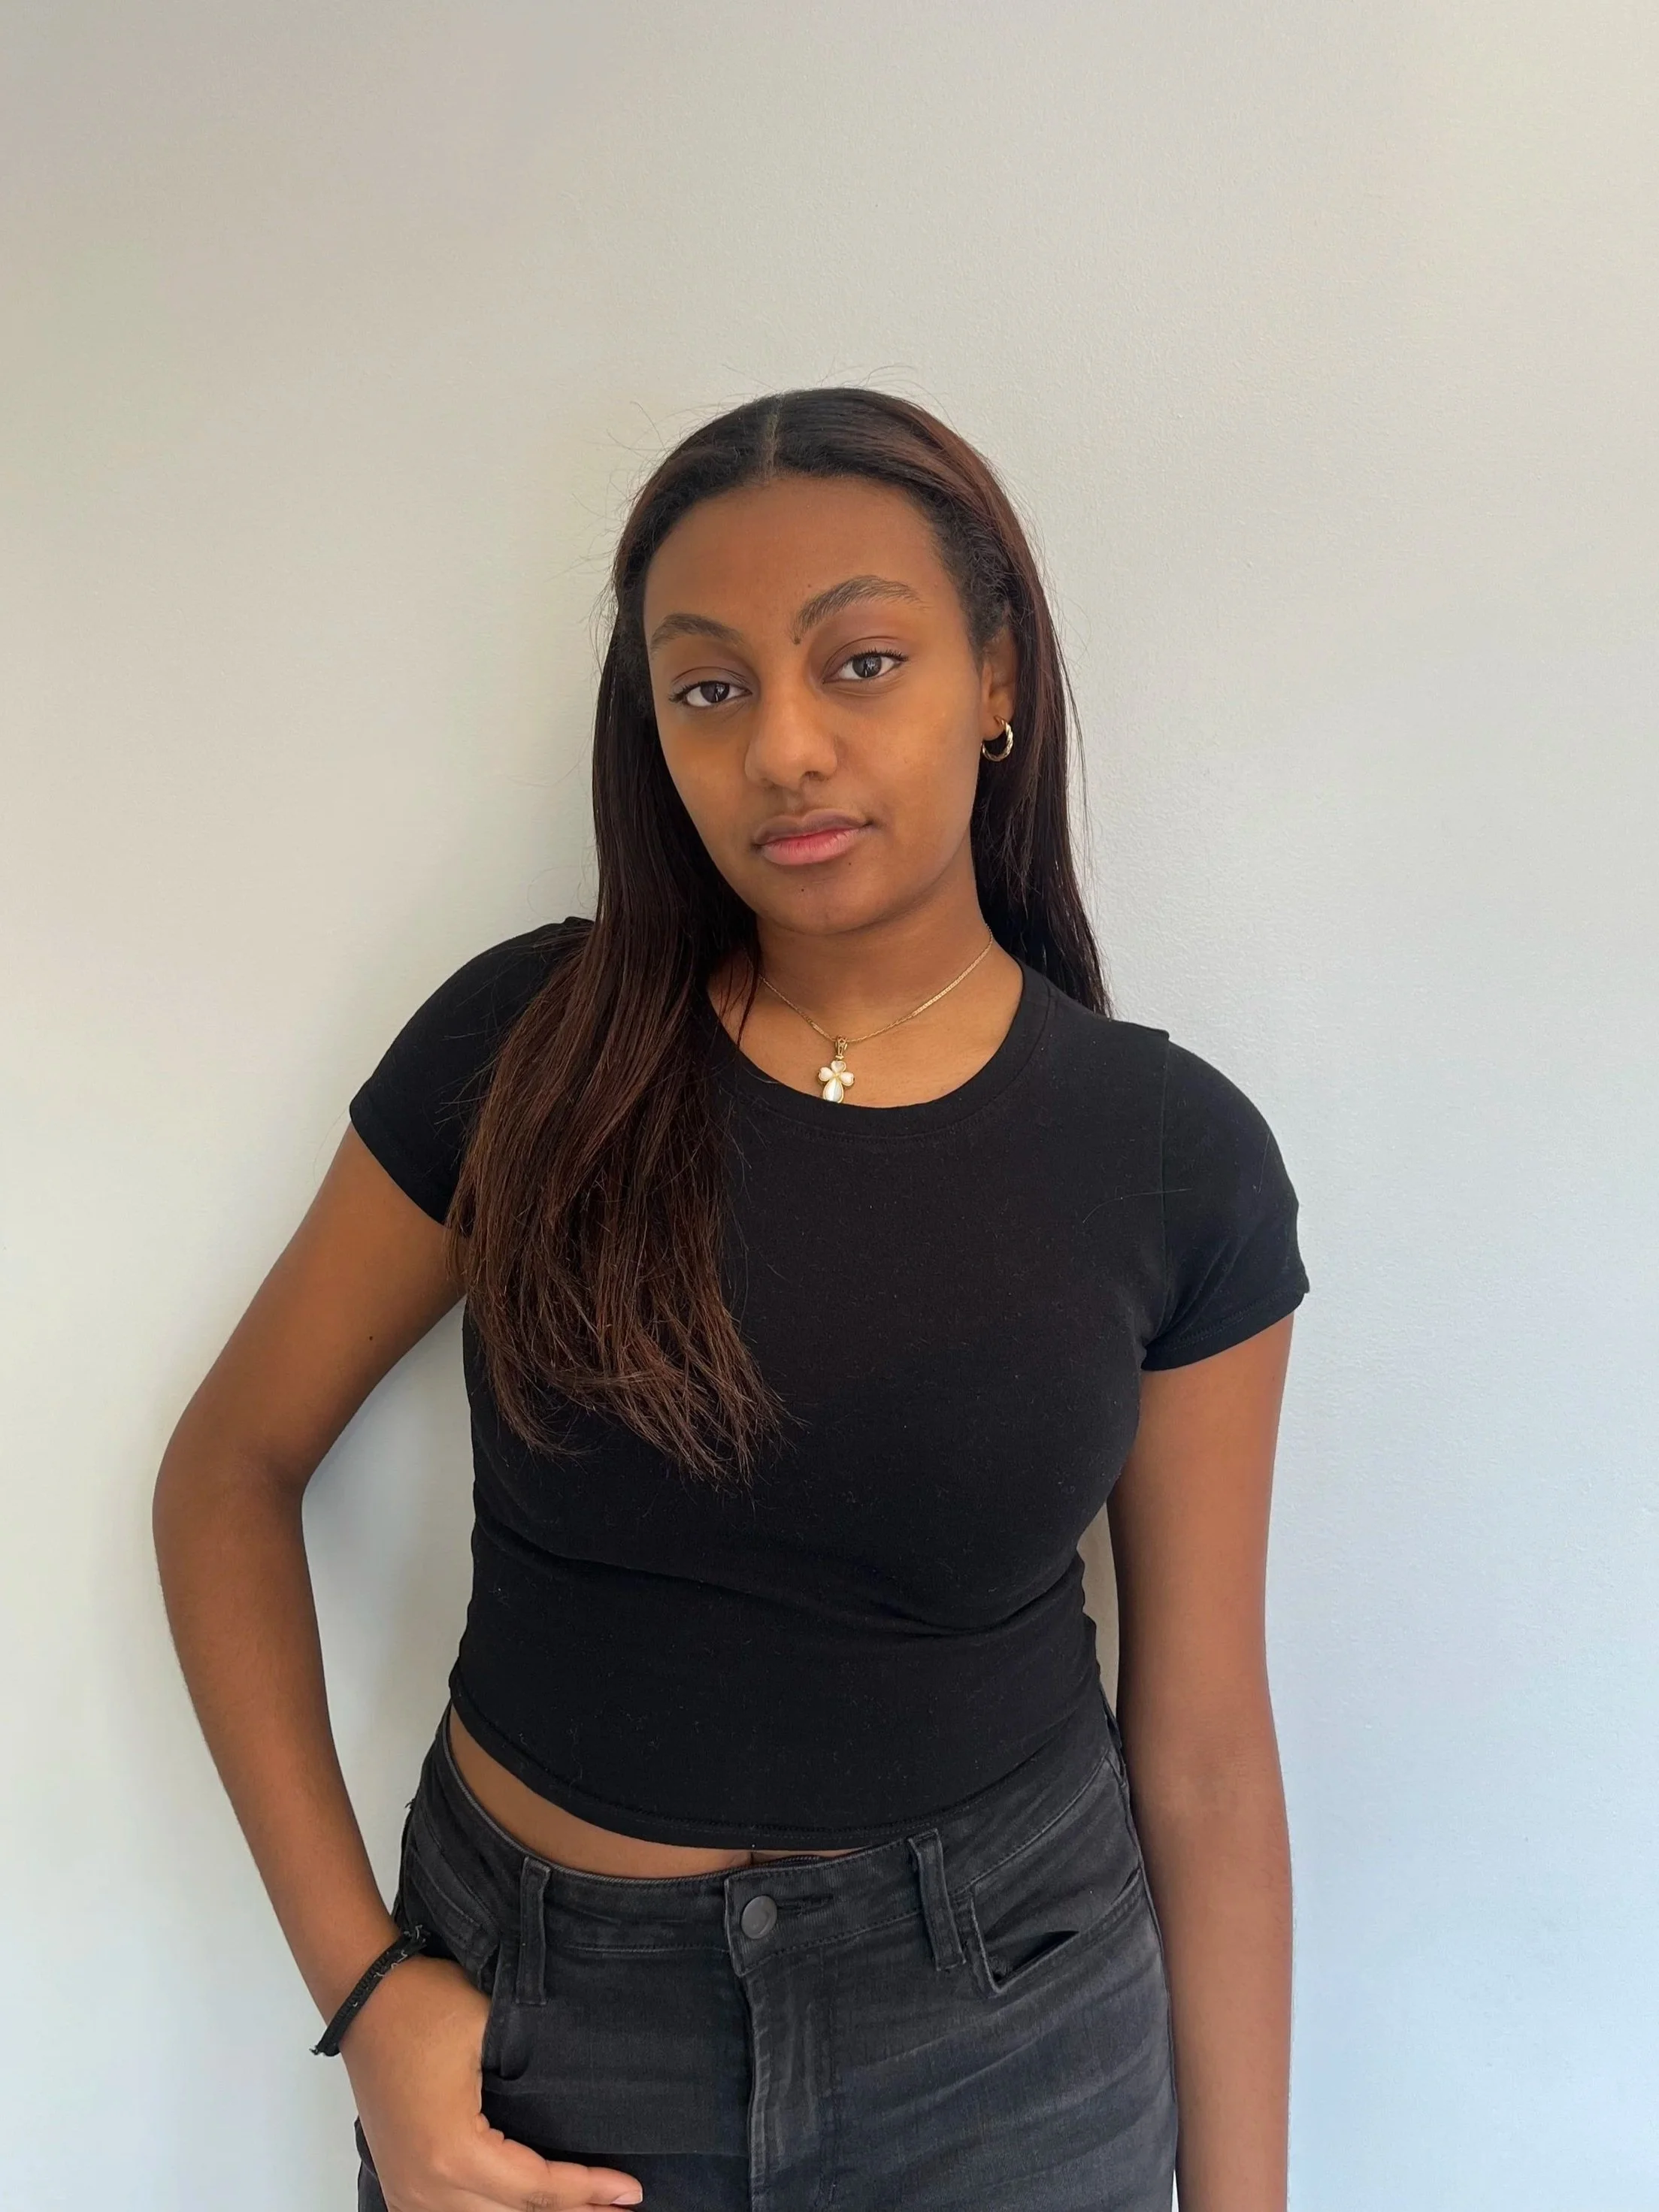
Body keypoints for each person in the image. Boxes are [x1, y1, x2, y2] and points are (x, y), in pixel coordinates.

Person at [153, 386, 1309, 2212]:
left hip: (1003, 2033)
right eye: (706, 686)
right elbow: (227, 1470)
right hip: (541, 2040)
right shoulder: (525, 1050)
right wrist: (362, 1995)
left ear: (996, 681)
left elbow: (1208, 1756)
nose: (780, 746)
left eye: (860, 662)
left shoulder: (1173, 1157)